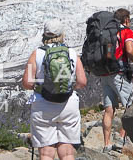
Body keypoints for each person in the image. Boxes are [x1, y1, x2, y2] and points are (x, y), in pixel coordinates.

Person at [22, 20, 88, 160]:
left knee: (46, 153)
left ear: (44, 34)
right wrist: (70, 87)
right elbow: (82, 81)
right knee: (68, 152)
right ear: (61, 34)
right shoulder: (71, 53)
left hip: (43, 105)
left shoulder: (36, 54)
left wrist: (42, 87)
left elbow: (27, 83)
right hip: (68, 103)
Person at [99, 8, 133, 152]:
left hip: (105, 74)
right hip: (120, 74)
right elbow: (129, 50)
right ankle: (123, 138)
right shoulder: (126, 32)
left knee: (109, 109)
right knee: (131, 106)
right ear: (126, 19)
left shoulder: (108, 32)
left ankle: (106, 143)